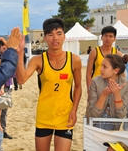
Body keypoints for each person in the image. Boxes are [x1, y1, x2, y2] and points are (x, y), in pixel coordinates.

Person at [16, 18, 82, 151]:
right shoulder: (38, 60)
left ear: (64, 36)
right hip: (44, 116)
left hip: (65, 116)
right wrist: (19, 52)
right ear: (45, 38)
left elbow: (79, 86)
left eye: (58, 33)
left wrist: (74, 109)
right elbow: (21, 79)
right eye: (50, 34)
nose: (55, 38)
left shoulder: (74, 60)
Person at [86, 54, 128, 130]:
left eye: (105, 67)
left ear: (116, 71)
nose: (101, 69)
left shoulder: (126, 84)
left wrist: (117, 94)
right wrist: (103, 95)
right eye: (101, 66)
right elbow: (92, 114)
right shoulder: (95, 82)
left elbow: (121, 115)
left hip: (113, 128)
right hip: (93, 126)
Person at [86, 26, 123, 92]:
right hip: (96, 86)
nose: (108, 38)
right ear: (101, 37)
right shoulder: (94, 52)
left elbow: (121, 74)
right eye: (105, 36)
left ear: (114, 39)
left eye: (110, 36)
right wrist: (89, 89)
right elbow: (88, 72)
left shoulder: (118, 54)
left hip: (112, 87)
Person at [0, 40, 13, 140]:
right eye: (3, 48)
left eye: (6, 48)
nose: (5, 49)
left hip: (9, 85)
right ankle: (0, 131)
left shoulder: (8, 58)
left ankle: (3, 130)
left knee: (5, 110)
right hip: (1, 87)